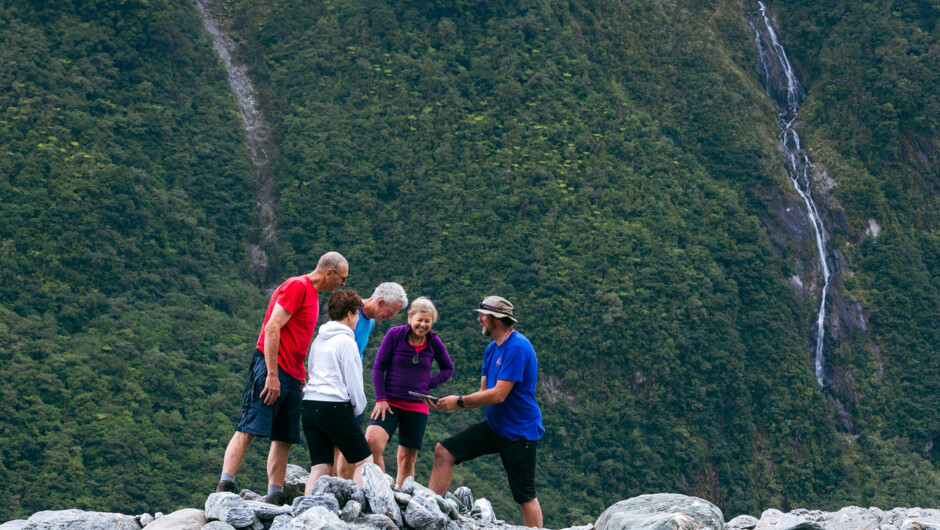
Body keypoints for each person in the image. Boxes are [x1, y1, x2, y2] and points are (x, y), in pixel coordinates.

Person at [216, 252, 349, 504]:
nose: (343, 284)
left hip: (293, 373)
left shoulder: (314, 295)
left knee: (285, 437)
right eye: (342, 279)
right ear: (329, 273)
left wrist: (300, 373)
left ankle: (274, 495)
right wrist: (272, 375)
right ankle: (225, 485)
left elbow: (296, 336)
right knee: (249, 426)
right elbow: (272, 327)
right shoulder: (297, 286)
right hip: (271, 368)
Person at [428, 296, 544, 528]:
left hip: (519, 432)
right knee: (444, 452)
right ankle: (427, 512)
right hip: (495, 426)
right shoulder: (493, 349)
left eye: (483, 315)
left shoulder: (517, 348)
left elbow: (499, 394)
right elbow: (484, 392)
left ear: (497, 319)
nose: (479, 319)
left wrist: (457, 402)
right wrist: (448, 404)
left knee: (525, 496)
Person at [366, 297, 454, 488]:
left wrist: (428, 385)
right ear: (410, 318)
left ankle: (402, 499)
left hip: (416, 407)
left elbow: (448, 369)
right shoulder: (395, 335)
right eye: (419, 320)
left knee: (407, 460)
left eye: (427, 321)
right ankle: (382, 491)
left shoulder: (434, 342)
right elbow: (379, 367)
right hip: (388, 403)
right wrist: (380, 399)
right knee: (372, 442)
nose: (423, 325)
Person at [332, 282, 408, 479]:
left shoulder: (370, 321)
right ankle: (333, 487)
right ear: (380, 301)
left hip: (351, 386)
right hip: (335, 386)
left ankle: (342, 486)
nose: (390, 318)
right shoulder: (349, 314)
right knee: (337, 443)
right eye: (390, 312)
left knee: (345, 444)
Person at [302, 289, 374, 491]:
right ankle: (358, 511)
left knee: (321, 466)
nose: (358, 319)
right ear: (350, 314)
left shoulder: (318, 340)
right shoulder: (347, 342)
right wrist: (358, 409)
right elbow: (354, 383)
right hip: (334, 406)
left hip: (309, 406)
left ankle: (308, 510)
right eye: (357, 314)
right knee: (364, 461)